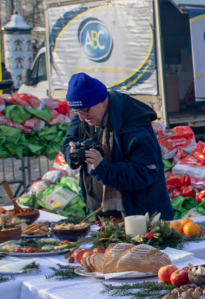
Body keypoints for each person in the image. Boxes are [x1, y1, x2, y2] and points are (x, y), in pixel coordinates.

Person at [60, 72, 174, 220]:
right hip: (102, 213)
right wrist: (72, 154)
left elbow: (145, 172)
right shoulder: (84, 115)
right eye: (76, 112)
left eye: (84, 111)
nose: (81, 118)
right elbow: (67, 142)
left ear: (102, 101)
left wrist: (102, 168)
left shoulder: (134, 123)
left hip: (141, 215)